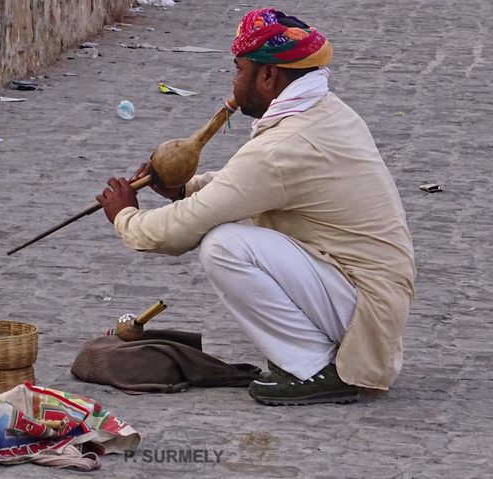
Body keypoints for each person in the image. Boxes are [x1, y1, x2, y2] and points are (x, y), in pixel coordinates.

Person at [96, 8, 415, 405]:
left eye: (239, 70)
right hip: (365, 287)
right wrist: (182, 190)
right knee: (229, 235)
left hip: (364, 299)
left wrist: (124, 215)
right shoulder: (324, 111)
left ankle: (314, 368)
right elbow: (243, 185)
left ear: (268, 76)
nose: (234, 82)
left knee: (223, 245)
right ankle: (317, 355)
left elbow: (175, 233)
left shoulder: (283, 147)